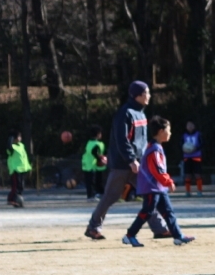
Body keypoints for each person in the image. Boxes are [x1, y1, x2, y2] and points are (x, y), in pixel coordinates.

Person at [85, 81, 169, 240]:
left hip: (138, 164)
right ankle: (93, 227)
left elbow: (142, 142)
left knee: (150, 194)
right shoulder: (125, 113)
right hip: (122, 165)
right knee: (110, 196)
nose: (149, 96)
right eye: (146, 93)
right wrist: (131, 160)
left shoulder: (141, 113)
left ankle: (160, 229)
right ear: (137, 95)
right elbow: (122, 140)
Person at [122, 117, 195, 247]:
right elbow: (158, 170)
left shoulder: (155, 147)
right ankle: (130, 235)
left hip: (158, 188)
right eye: (168, 130)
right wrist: (168, 182)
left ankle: (178, 236)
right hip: (152, 188)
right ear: (161, 131)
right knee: (147, 211)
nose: (170, 133)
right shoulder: (154, 149)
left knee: (168, 211)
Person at [6, 131, 31, 208]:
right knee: (15, 186)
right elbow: (9, 149)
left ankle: (18, 199)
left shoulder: (21, 145)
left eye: (20, 136)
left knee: (21, 186)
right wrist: (10, 140)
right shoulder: (12, 147)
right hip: (15, 169)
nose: (20, 138)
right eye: (18, 137)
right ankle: (11, 199)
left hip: (22, 168)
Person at [82, 125, 107, 199]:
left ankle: (98, 193)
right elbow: (94, 152)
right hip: (91, 165)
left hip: (91, 165)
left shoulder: (89, 143)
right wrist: (101, 160)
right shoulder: (96, 144)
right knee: (93, 181)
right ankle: (92, 195)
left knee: (95, 181)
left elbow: (103, 152)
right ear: (98, 134)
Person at [182, 120, 205, 196]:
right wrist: (184, 149)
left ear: (194, 126)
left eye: (191, 125)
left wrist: (196, 148)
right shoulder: (184, 135)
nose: (190, 127)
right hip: (187, 157)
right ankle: (188, 191)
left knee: (198, 174)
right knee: (187, 175)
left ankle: (199, 191)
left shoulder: (198, 134)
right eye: (188, 125)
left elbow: (202, 144)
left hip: (196, 156)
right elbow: (180, 144)